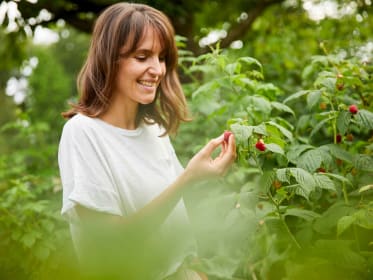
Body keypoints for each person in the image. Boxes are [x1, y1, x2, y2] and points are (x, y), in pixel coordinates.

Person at [58, 2, 236, 280]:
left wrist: (197, 272)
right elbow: (112, 244)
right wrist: (188, 178)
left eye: (161, 57)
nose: (157, 70)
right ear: (109, 59)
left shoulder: (152, 129)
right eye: (142, 57)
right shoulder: (83, 133)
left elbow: (177, 220)